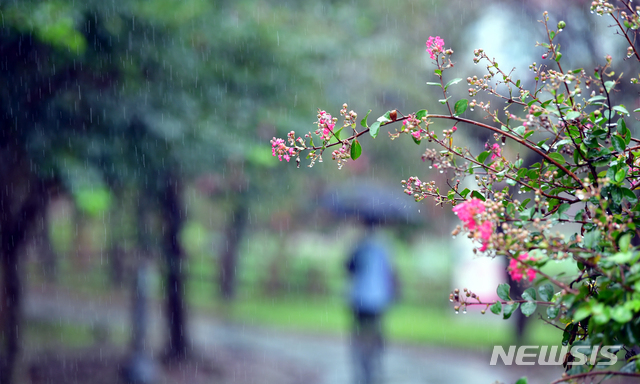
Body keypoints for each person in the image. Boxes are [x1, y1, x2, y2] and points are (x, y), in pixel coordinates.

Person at [345, 218, 396, 384]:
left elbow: (348, 267)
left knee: (359, 327)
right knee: (376, 325)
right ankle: (375, 349)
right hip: (379, 297)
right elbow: (390, 271)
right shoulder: (384, 246)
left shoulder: (359, 246)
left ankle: (362, 351)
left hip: (360, 296)